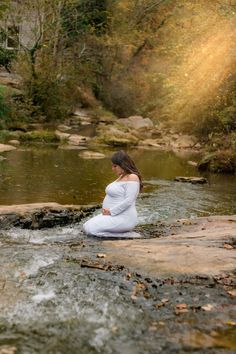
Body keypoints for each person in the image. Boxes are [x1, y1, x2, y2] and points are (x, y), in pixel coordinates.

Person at [83, 150, 142, 238]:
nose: (112, 169)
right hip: (113, 216)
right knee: (86, 226)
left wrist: (111, 211)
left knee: (91, 229)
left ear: (123, 165)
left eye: (115, 166)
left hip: (124, 217)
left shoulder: (132, 177)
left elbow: (129, 200)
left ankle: (126, 235)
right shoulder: (121, 177)